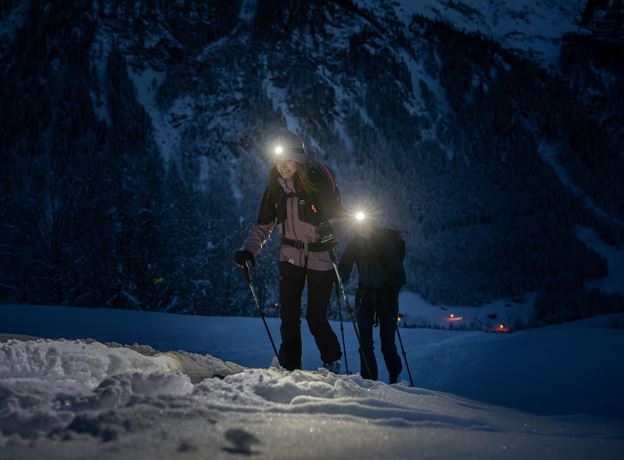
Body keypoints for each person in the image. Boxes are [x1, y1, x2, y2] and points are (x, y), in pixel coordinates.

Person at [233, 132, 343, 372]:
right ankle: (290, 368)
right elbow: (263, 225)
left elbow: (338, 217)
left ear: (298, 161)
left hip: (320, 258)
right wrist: (249, 251)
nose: (282, 166)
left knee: (316, 318)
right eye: (278, 161)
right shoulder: (275, 189)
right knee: (289, 317)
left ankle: (332, 361)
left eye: (288, 161)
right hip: (290, 256)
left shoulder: (316, 184)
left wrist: (330, 231)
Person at [338, 219, 406, 384]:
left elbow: (399, 274)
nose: (362, 230)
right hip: (365, 295)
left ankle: (393, 377)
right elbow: (344, 267)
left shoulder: (386, 244)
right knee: (365, 342)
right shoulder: (356, 244)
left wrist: (393, 293)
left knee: (387, 342)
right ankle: (370, 381)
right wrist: (338, 277)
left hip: (385, 296)